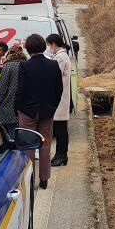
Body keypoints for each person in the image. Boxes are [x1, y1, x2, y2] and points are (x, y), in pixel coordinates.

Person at [15, 33, 63, 189]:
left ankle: (30, 179)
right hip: (47, 111)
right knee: (45, 144)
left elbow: (20, 90)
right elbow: (59, 90)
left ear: (28, 48)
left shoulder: (24, 66)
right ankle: (44, 179)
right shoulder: (53, 65)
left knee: (28, 145)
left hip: (27, 111)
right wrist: (53, 106)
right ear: (44, 47)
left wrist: (18, 107)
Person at [45, 33, 72, 166]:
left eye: (49, 45)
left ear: (54, 44)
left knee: (61, 130)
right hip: (60, 98)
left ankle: (61, 155)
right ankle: (60, 155)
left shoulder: (60, 57)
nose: (49, 47)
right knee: (60, 128)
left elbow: (54, 75)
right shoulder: (60, 56)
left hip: (60, 98)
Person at [0, 41, 26, 133]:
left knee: (10, 132)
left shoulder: (8, 65)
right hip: (24, 105)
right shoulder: (27, 64)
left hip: (8, 105)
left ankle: (13, 146)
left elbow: (3, 86)